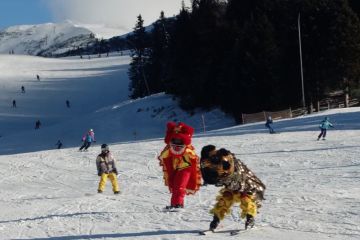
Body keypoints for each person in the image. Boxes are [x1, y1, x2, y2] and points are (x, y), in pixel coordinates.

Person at [200, 145, 266, 231]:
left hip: (244, 185)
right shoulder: (208, 163)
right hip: (231, 186)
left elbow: (230, 166)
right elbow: (209, 176)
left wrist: (224, 161)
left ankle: (250, 219)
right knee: (223, 201)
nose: (214, 155)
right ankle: (215, 221)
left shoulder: (224, 156)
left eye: (214, 153)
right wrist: (213, 175)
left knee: (246, 200)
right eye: (211, 155)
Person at [158, 122, 201, 210]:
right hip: (176, 168)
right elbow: (164, 156)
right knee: (175, 185)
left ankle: (178, 204)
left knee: (180, 185)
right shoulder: (170, 148)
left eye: (179, 140)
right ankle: (176, 204)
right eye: (175, 140)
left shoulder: (187, 149)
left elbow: (193, 156)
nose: (177, 143)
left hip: (186, 168)